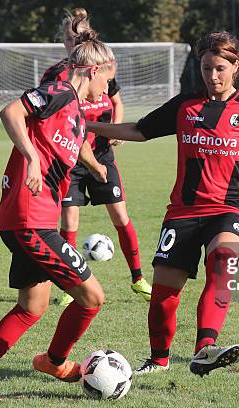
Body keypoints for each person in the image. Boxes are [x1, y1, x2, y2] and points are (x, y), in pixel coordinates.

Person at [87, 31, 239, 377]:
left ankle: (205, 348)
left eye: (219, 68)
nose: (212, 76)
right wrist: (86, 124)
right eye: (205, 68)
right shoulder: (185, 105)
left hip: (228, 211)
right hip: (183, 213)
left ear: (236, 67)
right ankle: (158, 360)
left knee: (222, 264)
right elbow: (141, 130)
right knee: (163, 295)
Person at [0, 30, 117, 401]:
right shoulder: (58, 91)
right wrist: (30, 157)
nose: (108, 90)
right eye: (107, 80)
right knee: (92, 297)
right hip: (31, 219)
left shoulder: (74, 109)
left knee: (33, 307)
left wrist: (96, 167)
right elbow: (11, 111)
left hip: (32, 220)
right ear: (91, 70)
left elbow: (76, 143)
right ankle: (55, 361)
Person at [44, 8, 152, 306]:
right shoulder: (57, 76)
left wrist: (115, 129)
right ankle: (70, 286)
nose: (72, 43)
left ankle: (138, 278)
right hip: (72, 161)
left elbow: (116, 100)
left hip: (102, 155)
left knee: (120, 214)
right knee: (69, 218)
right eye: (68, 38)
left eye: (77, 37)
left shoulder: (101, 70)